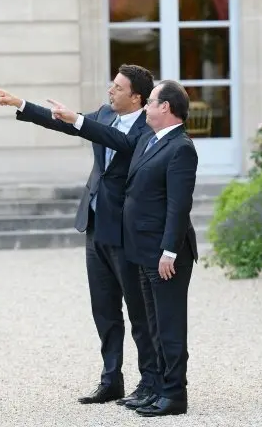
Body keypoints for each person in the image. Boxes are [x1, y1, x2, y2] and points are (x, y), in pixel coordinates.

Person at [0, 64, 159, 408]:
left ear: (136, 97)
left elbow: (119, 143)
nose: (110, 92)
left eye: (118, 88)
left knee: (139, 311)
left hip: (126, 231)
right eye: (112, 86)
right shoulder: (105, 115)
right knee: (104, 310)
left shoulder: (147, 125)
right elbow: (65, 122)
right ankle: (111, 380)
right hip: (95, 224)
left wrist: (79, 121)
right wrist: (22, 104)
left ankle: (150, 381)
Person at [50, 80, 198, 417]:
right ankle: (158, 388)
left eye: (152, 102)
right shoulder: (149, 140)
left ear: (167, 108)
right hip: (143, 250)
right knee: (155, 324)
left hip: (164, 254)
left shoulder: (181, 147)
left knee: (169, 326)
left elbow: (178, 207)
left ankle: (174, 395)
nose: (146, 106)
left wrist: (170, 252)